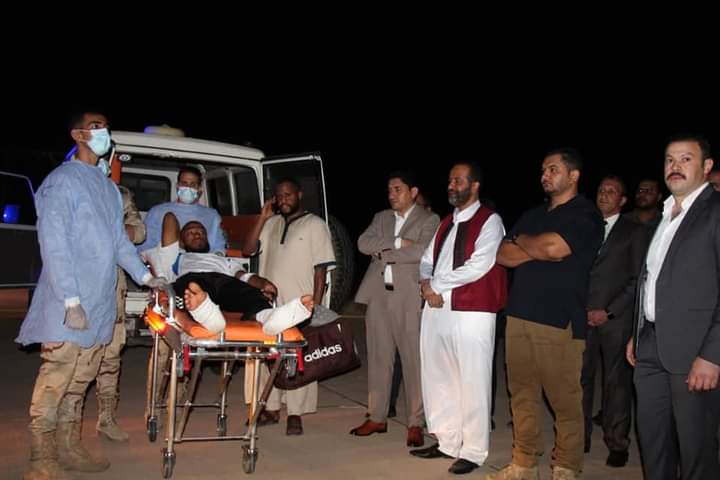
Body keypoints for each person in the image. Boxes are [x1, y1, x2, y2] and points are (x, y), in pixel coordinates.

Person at [16, 110, 166, 480]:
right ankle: (41, 457)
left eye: (106, 127)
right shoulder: (61, 182)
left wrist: (146, 278)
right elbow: (53, 243)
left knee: (80, 381)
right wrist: (70, 299)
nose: (105, 133)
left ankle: (69, 446)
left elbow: (119, 243)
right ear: (78, 134)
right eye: (97, 127)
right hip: (67, 302)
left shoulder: (108, 189)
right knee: (56, 377)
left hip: (99, 303)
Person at [490, 148, 603, 480]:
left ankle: (565, 466)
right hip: (519, 315)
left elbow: (554, 248)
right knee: (522, 396)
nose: (545, 175)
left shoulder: (586, 214)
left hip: (559, 320)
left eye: (553, 169)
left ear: (574, 175)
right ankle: (524, 463)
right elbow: (502, 255)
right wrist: (537, 247)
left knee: (564, 401)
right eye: (543, 170)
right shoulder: (533, 214)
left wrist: (522, 241)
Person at [627, 134, 720, 480]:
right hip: (651, 346)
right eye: (669, 160)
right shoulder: (665, 215)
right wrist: (637, 332)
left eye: (685, 159)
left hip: (695, 352)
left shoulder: (715, 211)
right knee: (654, 444)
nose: (675, 166)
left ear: (706, 166)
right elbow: (651, 280)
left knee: (697, 451)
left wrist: (712, 355)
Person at [409, 162, 506, 476]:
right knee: (439, 377)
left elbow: (481, 264)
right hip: (437, 309)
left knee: (473, 380)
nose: (452, 185)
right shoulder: (446, 222)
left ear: (474, 185)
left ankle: (474, 450)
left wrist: (436, 285)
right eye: (450, 180)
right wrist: (427, 283)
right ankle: (448, 442)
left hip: (472, 312)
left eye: (459, 180)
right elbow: (427, 260)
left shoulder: (490, 220)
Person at [350, 171, 440, 447]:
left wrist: (383, 253)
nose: (391, 194)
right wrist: (398, 242)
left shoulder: (429, 219)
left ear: (413, 192)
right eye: (389, 190)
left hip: (408, 296)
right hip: (378, 295)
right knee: (378, 357)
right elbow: (363, 243)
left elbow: (422, 252)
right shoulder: (381, 218)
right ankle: (377, 416)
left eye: (397, 189)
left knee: (413, 360)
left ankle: (415, 422)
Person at [242, 178, 336, 436]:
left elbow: (321, 270)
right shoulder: (270, 223)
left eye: (288, 194)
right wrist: (262, 218)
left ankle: (295, 413)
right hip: (269, 304)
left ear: (299, 195)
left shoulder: (315, 225)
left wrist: (315, 307)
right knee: (269, 356)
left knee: (297, 357)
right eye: (279, 195)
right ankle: (271, 407)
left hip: (299, 303)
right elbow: (248, 249)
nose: (283, 199)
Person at [580, 175, 646, 467]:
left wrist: (608, 311)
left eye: (611, 191)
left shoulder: (634, 231)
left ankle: (617, 442)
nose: (604, 194)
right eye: (601, 189)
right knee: (580, 379)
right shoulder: (585, 226)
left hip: (615, 319)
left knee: (616, 383)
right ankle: (579, 437)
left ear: (623, 199)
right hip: (582, 315)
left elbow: (638, 278)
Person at [95, 184, 146, 442]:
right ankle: (64, 424)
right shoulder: (72, 187)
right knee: (73, 362)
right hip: (78, 283)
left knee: (111, 356)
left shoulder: (120, 195)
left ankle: (106, 418)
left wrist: (112, 230)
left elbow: (138, 232)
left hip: (112, 285)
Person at [136, 165, 226, 254]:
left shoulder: (212, 215)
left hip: (202, 261)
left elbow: (218, 245)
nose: (188, 187)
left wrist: (217, 257)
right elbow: (145, 246)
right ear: (177, 186)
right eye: (184, 183)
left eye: (193, 184)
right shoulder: (157, 212)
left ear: (199, 188)